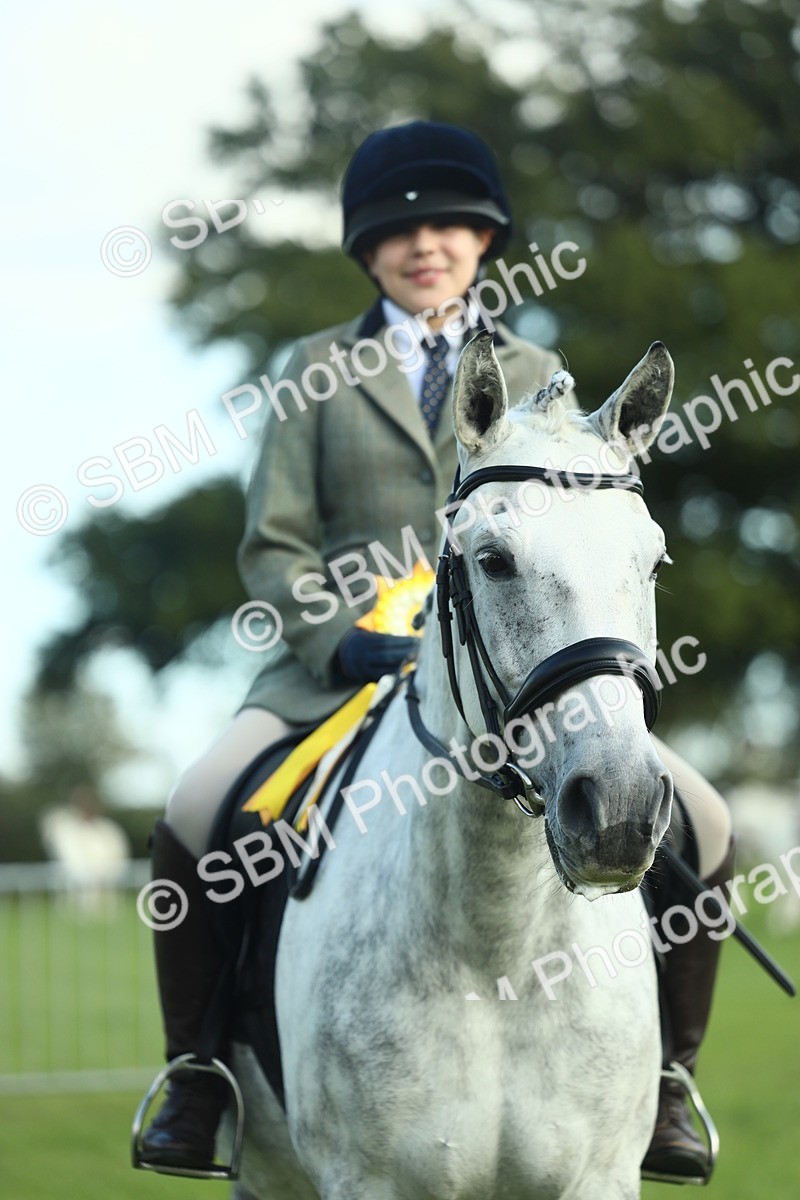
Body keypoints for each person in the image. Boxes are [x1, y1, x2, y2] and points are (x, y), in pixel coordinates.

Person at [139, 120, 734, 1182]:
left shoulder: (537, 371)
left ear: (484, 241)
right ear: (366, 249)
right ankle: (199, 1077)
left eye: (451, 225)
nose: (427, 244)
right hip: (334, 666)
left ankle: (666, 1085)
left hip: (508, 671)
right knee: (196, 808)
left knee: (705, 817)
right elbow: (272, 543)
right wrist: (342, 636)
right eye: (400, 230)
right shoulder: (312, 370)